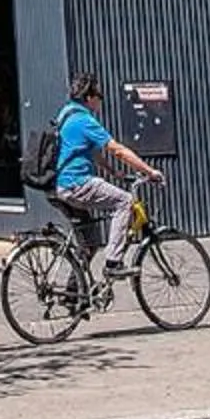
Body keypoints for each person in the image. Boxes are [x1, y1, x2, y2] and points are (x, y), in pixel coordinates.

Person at [52, 70, 163, 274]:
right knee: (126, 201)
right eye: (99, 96)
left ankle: (75, 295)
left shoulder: (66, 114)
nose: (101, 101)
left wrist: (114, 173)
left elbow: (92, 152)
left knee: (90, 243)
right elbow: (118, 150)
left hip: (60, 186)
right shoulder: (85, 120)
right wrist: (150, 171)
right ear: (89, 98)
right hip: (77, 183)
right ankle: (113, 262)